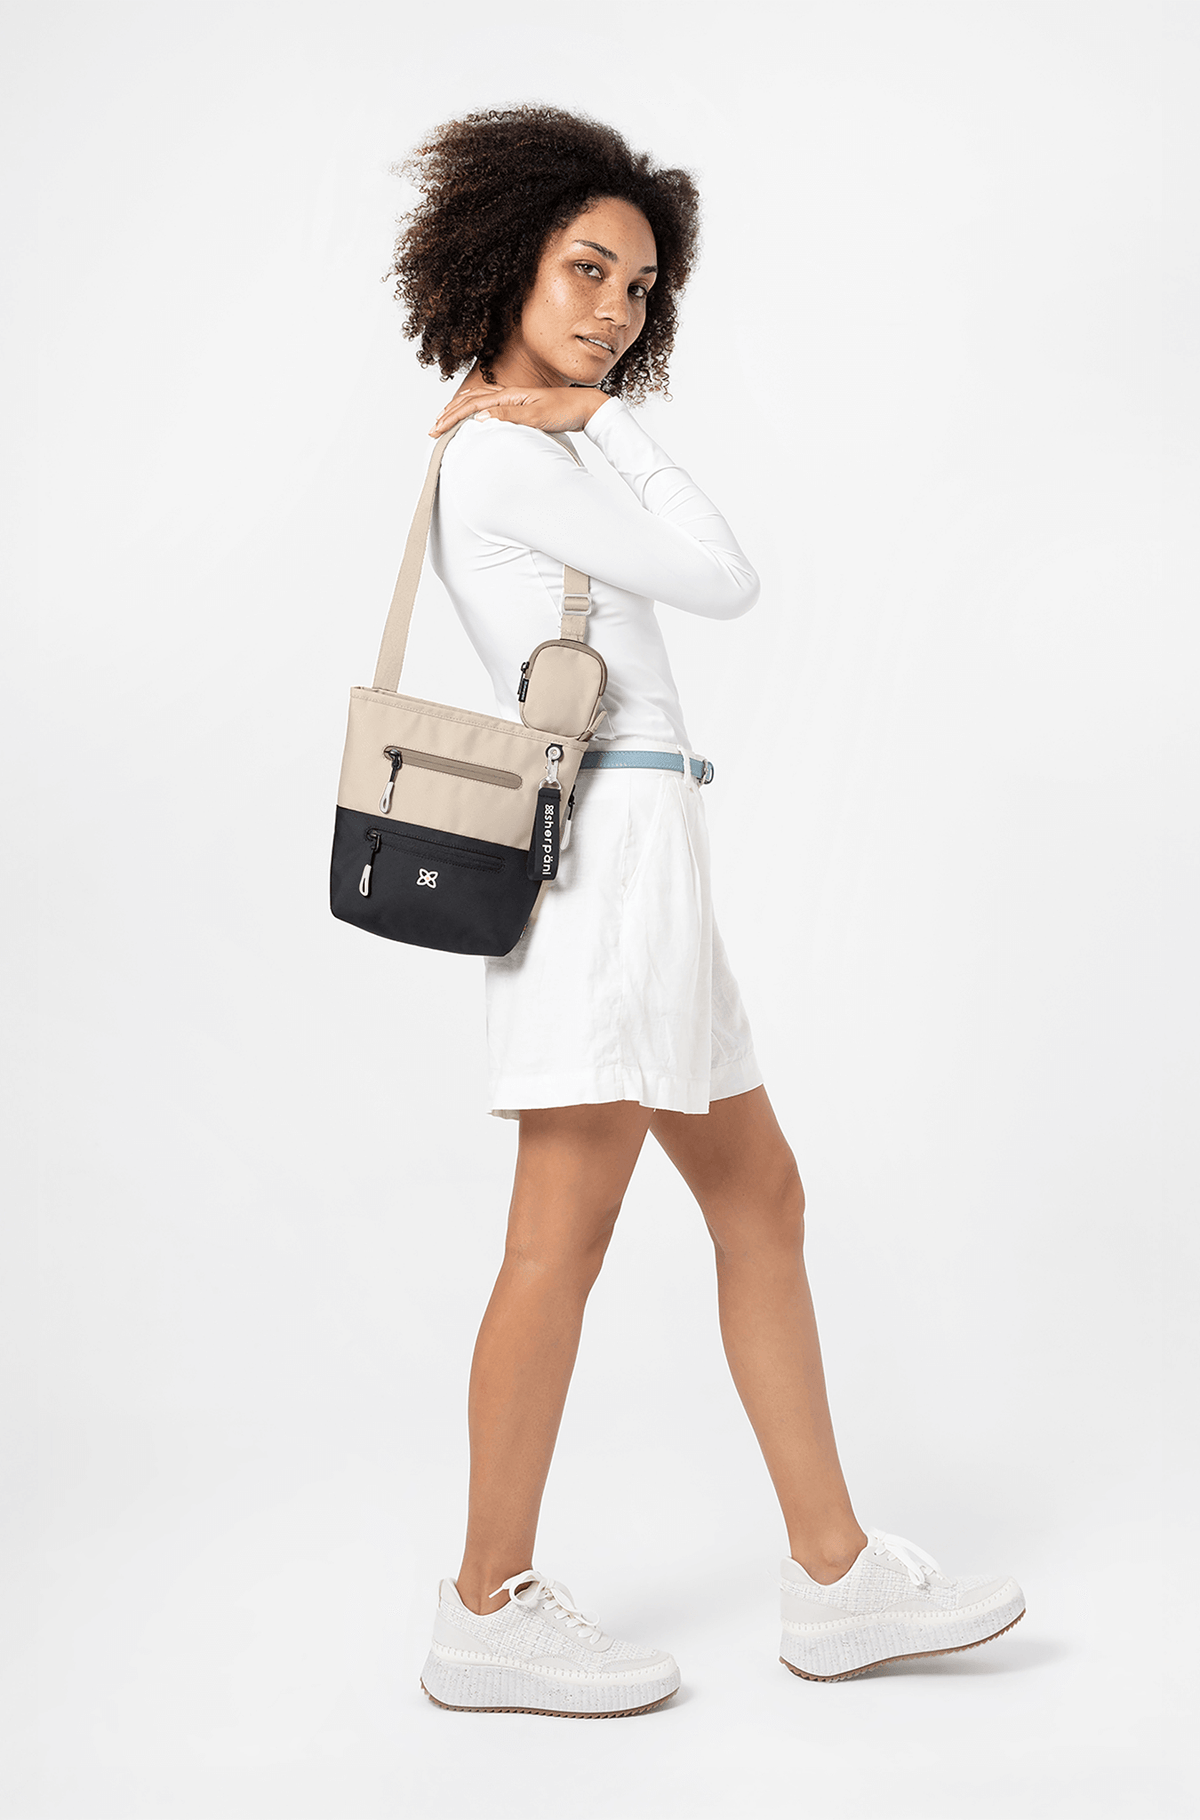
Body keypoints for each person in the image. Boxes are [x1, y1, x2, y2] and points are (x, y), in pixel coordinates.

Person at [385, 104, 1024, 1716]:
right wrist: (602, 418)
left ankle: (833, 1575)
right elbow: (723, 574)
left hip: (651, 850)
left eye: (641, 290)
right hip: (607, 860)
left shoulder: (542, 443)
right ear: (506, 260)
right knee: (563, 1235)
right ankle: (484, 1604)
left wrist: (588, 415)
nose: (616, 309)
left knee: (761, 1197)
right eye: (587, 270)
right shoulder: (508, 456)